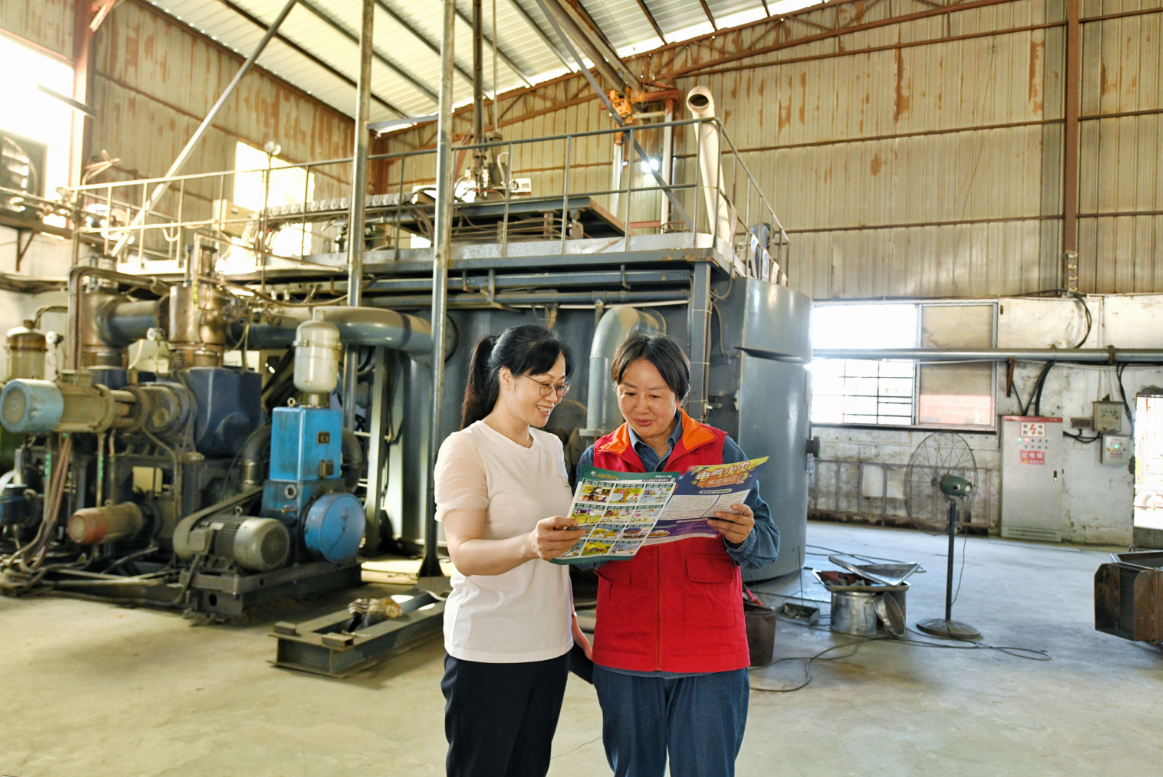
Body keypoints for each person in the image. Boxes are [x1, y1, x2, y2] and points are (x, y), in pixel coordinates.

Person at [576, 332, 779, 777]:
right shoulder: (598, 459)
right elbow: (579, 559)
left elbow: (768, 544)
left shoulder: (720, 451)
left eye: (655, 394)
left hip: (710, 655)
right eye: (628, 393)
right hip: (625, 654)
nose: (640, 407)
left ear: (679, 395)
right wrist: (585, 543)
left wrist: (744, 535)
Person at [434, 325, 591, 777]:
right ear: (506, 377)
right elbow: (463, 553)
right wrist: (529, 545)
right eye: (544, 385)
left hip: (549, 647)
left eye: (561, 386)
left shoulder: (550, 446)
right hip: (489, 652)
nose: (554, 396)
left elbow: (557, 544)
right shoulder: (467, 448)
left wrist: (570, 619)